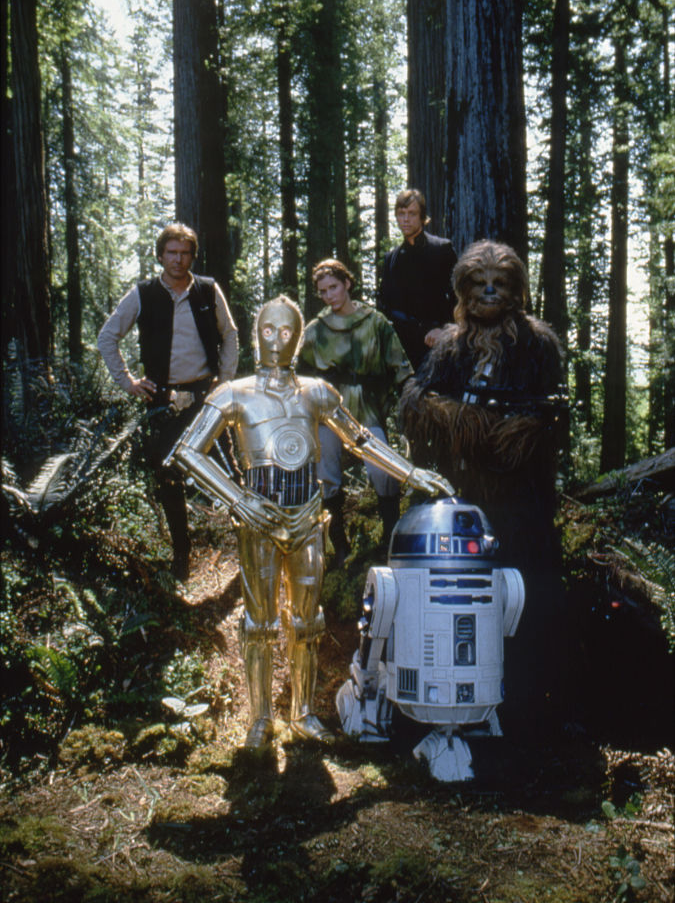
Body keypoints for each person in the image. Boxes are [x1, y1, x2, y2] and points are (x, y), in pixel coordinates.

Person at [168, 295, 452, 749]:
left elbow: (359, 441)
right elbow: (186, 450)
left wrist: (411, 473)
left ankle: (302, 712)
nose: (276, 341)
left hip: (306, 518)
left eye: (286, 332)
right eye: (267, 331)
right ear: (255, 334)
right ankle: (260, 717)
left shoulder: (316, 392)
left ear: (298, 339)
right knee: (258, 624)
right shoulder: (233, 393)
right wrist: (238, 499)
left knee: (308, 622)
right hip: (257, 517)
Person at [400, 240, 567, 726]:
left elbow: (554, 412)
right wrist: (463, 421)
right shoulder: (451, 347)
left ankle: (526, 701)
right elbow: (417, 399)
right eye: (479, 282)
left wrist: (517, 431)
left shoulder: (537, 345)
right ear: (463, 291)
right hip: (464, 496)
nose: (489, 291)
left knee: (525, 592)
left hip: (521, 499)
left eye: (499, 283)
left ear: (516, 290)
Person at [97, 223, 238, 581]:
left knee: (230, 472)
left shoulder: (207, 290)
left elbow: (231, 334)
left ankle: (249, 546)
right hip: (162, 400)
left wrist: (225, 381)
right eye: (171, 253)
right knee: (168, 476)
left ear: (193, 256)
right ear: (160, 255)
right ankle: (182, 554)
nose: (178, 259)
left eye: (184, 253)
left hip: (208, 399)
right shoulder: (143, 293)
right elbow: (107, 336)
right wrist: (128, 382)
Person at [298, 258, 413, 564]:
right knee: (326, 473)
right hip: (330, 412)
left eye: (333, 287)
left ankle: (390, 536)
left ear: (347, 284)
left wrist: (411, 395)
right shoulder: (315, 331)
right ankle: (339, 544)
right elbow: (298, 375)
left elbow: (400, 365)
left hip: (367, 410)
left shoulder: (374, 322)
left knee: (383, 469)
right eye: (322, 291)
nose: (329, 295)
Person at [377, 188, 457, 370]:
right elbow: (386, 306)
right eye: (401, 214)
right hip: (405, 350)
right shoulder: (392, 258)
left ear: (422, 217)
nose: (405, 219)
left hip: (440, 345)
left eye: (412, 214)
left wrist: (445, 331)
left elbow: (459, 299)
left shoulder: (441, 249)